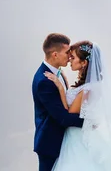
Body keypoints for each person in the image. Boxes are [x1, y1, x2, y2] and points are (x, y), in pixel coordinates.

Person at [44, 40, 111, 171]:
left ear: (84, 63)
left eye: (73, 57)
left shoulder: (86, 90)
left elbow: (68, 114)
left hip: (76, 136)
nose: (70, 60)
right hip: (81, 132)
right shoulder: (89, 86)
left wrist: (61, 89)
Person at [32, 33, 84, 171]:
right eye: (67, 52)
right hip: (50, 144)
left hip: (65, 140)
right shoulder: (44, 81)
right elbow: (63, 118)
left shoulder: (57, 73)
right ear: (55, 54)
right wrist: (89, 122)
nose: (70, 56)